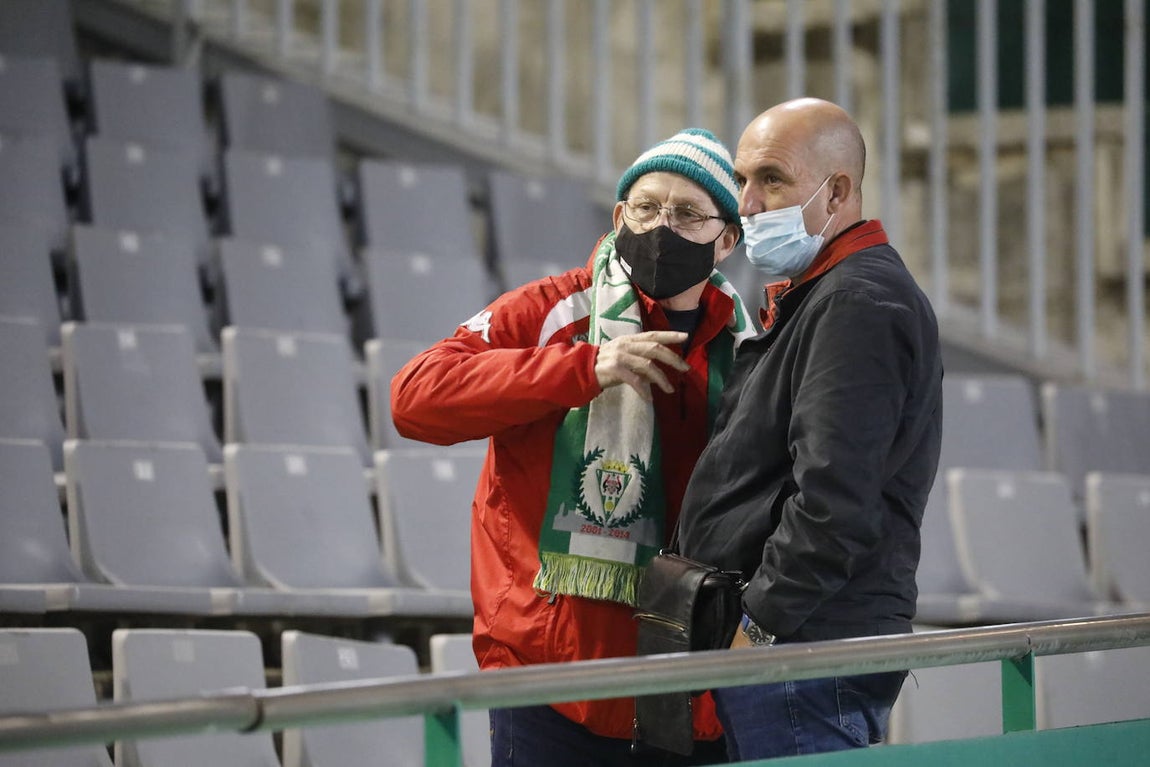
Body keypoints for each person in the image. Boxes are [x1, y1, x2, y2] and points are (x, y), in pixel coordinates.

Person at [391, 128, 758, 766]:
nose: (661, 227)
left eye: (688, 213)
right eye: (645, 208)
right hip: (549, 680)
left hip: (690, 688)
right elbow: (416, 397)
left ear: (727, 240)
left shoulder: (750, 348)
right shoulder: (551, 311)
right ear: (619, 218)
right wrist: (582, 367)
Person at [678, 98, 943, 761]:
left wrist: (757, 629)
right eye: (741, 180)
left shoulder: (857, 301)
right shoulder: (826, 294)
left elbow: (833, 500)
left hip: (801, 650)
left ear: (839, 190)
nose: (747, 201)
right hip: (798, 647)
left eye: (770, 178)